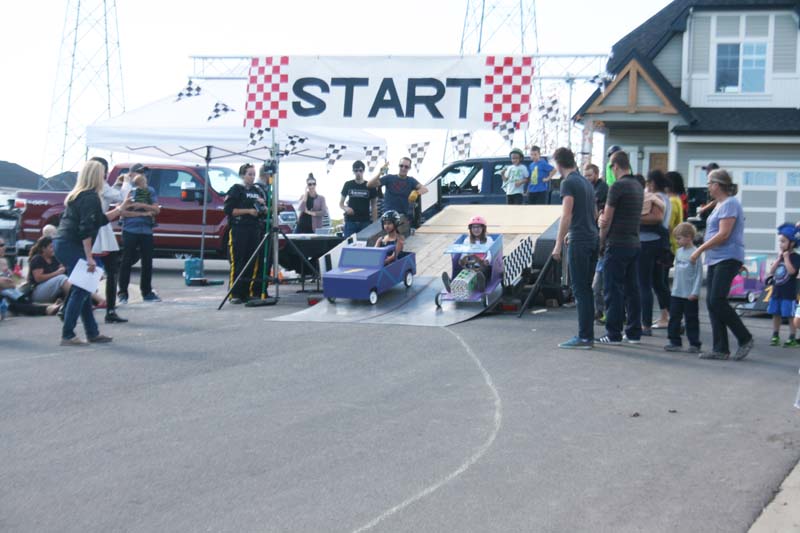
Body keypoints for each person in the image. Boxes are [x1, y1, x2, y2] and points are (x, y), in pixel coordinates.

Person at [53, 160, 127, 345]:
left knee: (84, 287)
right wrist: (89, 257)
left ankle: (92, 332)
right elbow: (86, 229)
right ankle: (68, 334)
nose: (105, 177)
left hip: (63, 243)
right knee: (81, 288)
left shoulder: (78, 195)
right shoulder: (90, 197)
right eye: (102, 173)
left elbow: (98, 220)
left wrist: (118, 210)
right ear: (96, 175)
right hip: (74, 245)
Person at [690, 169, 754, 360]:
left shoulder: (730, 204)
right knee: (712, 302)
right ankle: (720, 349)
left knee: (717, 300)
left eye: (709, 183)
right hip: (717, 257)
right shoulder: (721, 204)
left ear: (717, 185)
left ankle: (745, 338)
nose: (708, 186)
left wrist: (699, 249)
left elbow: (724, 234)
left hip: (727, 257)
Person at [551, 148, 598, 349]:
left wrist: (558, 243)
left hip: (579, 241)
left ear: (558, 163)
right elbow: (595, 213)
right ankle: (587, 335)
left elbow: (567, 214)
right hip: (592, 238)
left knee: (580, 290)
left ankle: (584, 337)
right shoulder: (586, 182)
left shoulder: (568, 183)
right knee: (586, 289)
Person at [597, 150, 644, 345]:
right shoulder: (638, 186)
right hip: (634, 242)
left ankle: (613, 333)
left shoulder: (617, 187)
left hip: (617, 243)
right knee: (633, 289)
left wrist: (600, 240)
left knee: (612, 289)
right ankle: (633, 332)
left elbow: (606, 219)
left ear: (615, 166)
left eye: (611, 167)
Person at [90, 156, 130, 324]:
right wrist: (127, 182)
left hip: (90, 230)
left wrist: (118, 184)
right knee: (112, 270)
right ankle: (110, 310)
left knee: (83, 271)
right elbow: (121, 198)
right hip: (102, 230)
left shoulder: (88, 187)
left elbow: (111, 194)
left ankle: (68, 307)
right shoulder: (102, 187)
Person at [223, 163, 267, 304]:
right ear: (243, 175)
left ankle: (247, 292)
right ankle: (235, 293)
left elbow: (264, 210)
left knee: (252, 261)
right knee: (239, 261)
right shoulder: (236, 190)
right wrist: (248, 211)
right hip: (239, 228)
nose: (252, 177)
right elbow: (230, 210)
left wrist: (263, 206)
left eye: (254, 174)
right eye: (249, 174)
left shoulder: (257, 190)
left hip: (254, 228)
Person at [117, 163, 161, 304]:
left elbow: (156, 209)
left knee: (147, 262)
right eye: (139, 172)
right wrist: (140, 212)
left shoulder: (150, 190)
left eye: (143, 173)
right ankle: (123, 293)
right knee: (126, 261)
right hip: (130, 229)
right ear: (131, 174)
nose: (142, 175)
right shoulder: (127, 190)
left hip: (146, 230)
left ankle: (147, 292)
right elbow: (121, 212)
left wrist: (143, 206)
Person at [639, 170, 670, 335]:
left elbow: (655, 218)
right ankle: (669, 317)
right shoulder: (667, 199)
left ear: (651, 183)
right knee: (659, 283)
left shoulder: (652, 198)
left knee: (644, 284)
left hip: (645, 242)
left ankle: (645, 324)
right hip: (661, 244)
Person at [664, 223, 703, 353]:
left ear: (689, 237)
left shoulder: (695, 253)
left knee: (691, 319)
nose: (677, 241)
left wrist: (695, 292)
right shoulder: (679, 252)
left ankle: (694, 343)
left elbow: (698, 274)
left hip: (689, 294)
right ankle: (674, 341)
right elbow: (676, 271)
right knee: (674, 317)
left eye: (679, 238)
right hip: (677, 292)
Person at [368, 157, 428, 236]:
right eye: (401, 166)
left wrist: (416, 192)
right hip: (388, 217)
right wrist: (380, 172)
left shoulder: (411, 180)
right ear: (398, 166)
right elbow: (370, 184)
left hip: (403, 218)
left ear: (409, 168)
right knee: (388, 241)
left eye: (406, 167)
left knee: (401, 242)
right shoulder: (389, 178)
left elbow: (425, 189)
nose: (403, 168)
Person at [441, 215, 493, 293]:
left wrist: (487, 260)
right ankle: (451, 284)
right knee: (460, 269)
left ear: (483, 228)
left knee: (482, 271)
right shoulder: (467, 240)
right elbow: (464, 252)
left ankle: (481, 284)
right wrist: (462, 259)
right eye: (474, 227)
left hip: (482, 263)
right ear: (470, 229)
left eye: (478, 227)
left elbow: (490, 253)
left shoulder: (488, 240)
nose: (476, 230)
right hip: (471, 263)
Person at [767, 223, 800, 347]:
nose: (780, 244)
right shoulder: (779, 256)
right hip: (777, 291)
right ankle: (775, 334)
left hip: (789, 293)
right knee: (776, 314)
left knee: (790, 316)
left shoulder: (796, 257)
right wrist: (778, 259)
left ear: (792, 243)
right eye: (780, 241)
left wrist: (786, 258)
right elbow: (772, 271)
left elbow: (792, 271)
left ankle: (792, 337)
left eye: (783, 241)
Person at [27, 236, 70, 305]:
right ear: (43, 249)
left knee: (74, 280)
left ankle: (89, 301)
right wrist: (57, 273)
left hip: (51, 291)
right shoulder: (38, 259)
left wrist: (64, 268)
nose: (53, 249)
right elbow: (38, 278)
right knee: (61, 278)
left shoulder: (54, 258)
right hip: (37, 292)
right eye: (51, 247)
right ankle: (77, 302)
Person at [340, 160, 378, 237]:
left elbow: (374, 205)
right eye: (356, 170)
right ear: (353, 171)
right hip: (350, 222)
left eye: (360, 170)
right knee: (348, 246)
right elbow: (341, 204)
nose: (358, 173)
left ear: (363, 171)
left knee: (365, 246)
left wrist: (375, 223)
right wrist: (346, 208)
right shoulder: (348, 184)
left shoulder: (369, 185)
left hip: (365, 222)